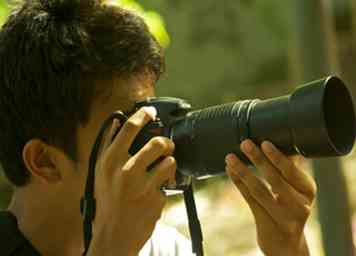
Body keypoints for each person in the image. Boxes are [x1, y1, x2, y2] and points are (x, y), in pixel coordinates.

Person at [0, 0, 317, 255]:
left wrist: (287, 248)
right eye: (130, 130)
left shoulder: (162, 247)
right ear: (45, 161)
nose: (161, 145)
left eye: (155, 120)